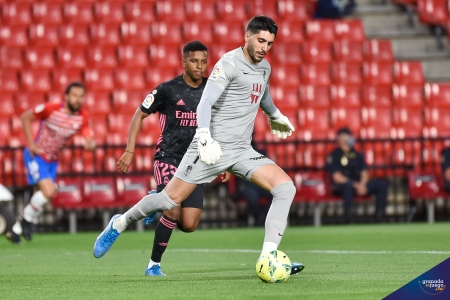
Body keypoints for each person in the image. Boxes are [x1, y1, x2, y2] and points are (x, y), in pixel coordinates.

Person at [93, 15, 304, 276]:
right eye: (260, 40)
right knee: (168, 200)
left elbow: (263, 94)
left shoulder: (265, 67)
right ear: (247, 36)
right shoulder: (228, 63)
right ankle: (120, 223)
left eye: (269, 43)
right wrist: (203, 135)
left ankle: (268, 257)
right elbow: (205, 102)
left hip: (242, 150)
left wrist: (275, 114)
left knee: (285, 187)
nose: (264, 47)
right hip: (210, 148)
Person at [115, 41, 226, 276]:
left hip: (196, 162)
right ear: (183, 62)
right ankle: (153, 265)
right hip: (169, 157)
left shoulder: (212, 89)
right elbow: (139, 114)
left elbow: (218, 125)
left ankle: (155, 200)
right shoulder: (168, 89)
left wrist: (221, 161)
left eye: (204, 61)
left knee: (189, 224)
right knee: (172, 210)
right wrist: (129, 150)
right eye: (194, 61)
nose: (199, 66)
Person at [6, 82, 95, 244]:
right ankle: (26, 221)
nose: (78, 99)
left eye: (81, 96)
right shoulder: (51, 108)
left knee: (41, 196)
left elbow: (89, 138)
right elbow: (25, 117)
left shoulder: (82, 116)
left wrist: (91, 144)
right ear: (66, 96)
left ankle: (16, 230)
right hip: (36, 155)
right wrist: (31, 143)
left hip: (52, 161)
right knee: (48, 191)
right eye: (74, 95)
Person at [325, 127, 387, 223]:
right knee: (347, 186)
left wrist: (362, 184)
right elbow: (337, 177)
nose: (350, 138)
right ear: (340, 139)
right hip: (345, 186)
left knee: (381, 185)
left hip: (360, 185)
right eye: (347, 136)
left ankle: (380, 217)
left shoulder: (358, 155)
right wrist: (356, 185)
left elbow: (364, 172)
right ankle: (349, 218)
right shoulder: (334, 155)